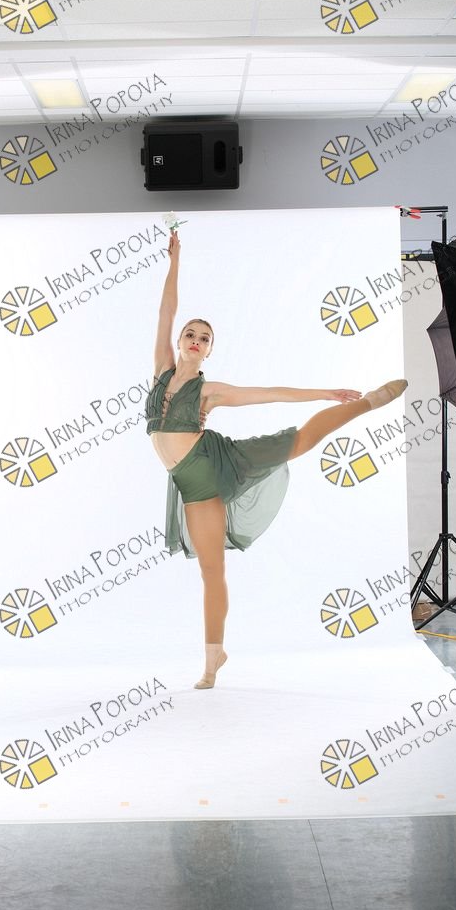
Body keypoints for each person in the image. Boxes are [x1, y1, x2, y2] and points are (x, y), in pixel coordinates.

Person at [146, 230, 407, 690]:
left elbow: (269, 394)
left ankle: (367, 403)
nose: (195, 339)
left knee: (299, 441)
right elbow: (166, 310)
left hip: (218, 459)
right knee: (211, 570)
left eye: (204, 338)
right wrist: (174, 260)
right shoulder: (161, 371)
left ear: (210, 350)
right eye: (190, 333)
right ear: (180, 340)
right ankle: (215, 656)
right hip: (192, 484)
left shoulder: (209, 390)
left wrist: (324, 392)